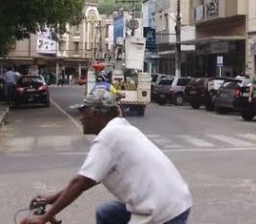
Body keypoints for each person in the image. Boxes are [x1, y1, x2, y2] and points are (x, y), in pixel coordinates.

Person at [20, 86, 191, 224]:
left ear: (95, 114)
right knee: (106, 213)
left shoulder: (108, 137)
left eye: (83, 113)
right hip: (168, 198)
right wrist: (51, 198)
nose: (81, 119)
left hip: (165, 210)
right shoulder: (119, 127)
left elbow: (80, 183)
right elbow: (90, 179)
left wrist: (44, 218)